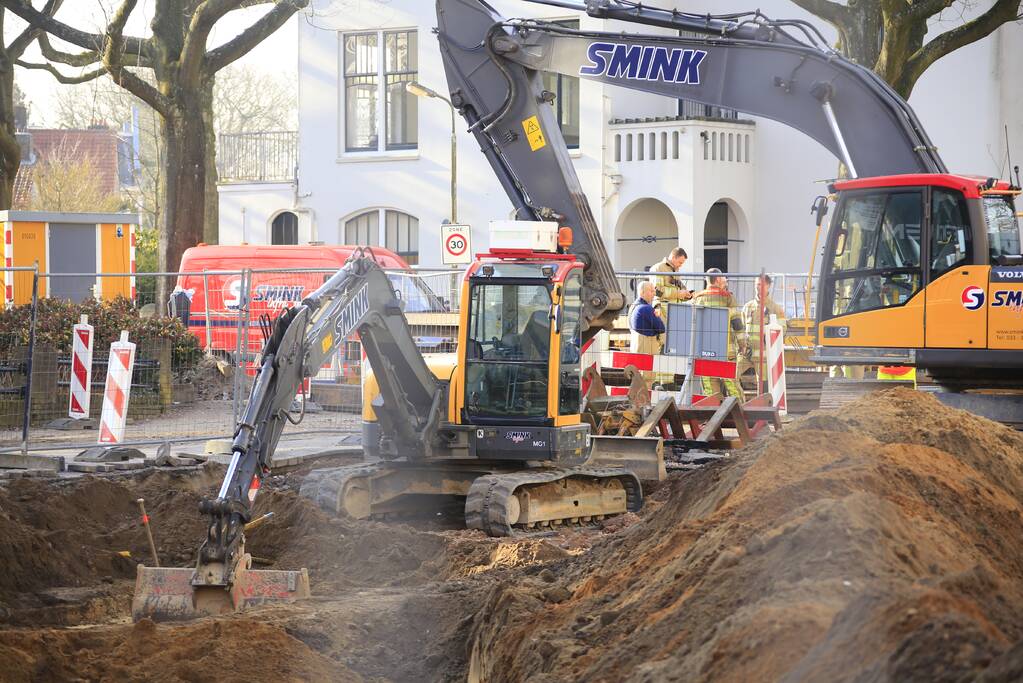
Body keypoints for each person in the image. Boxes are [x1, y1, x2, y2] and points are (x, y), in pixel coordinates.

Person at [691, 268, 745, 399]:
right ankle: (741, 412)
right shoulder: (727, 298)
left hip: (704, 352)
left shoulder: (697, 299)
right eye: (724, 278)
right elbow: (737, 323)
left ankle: (714, 414)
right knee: (732, 385)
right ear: (718, 280)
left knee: (710, 388)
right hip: (726, 351)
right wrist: (743, 344)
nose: (726, 281)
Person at [739, 274, 787, 381]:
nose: (758, 287)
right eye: (756, 284)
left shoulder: (775, 308)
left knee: (763, 386)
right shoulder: (748, 307)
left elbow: (782, 329)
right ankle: (738, 398)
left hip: (764, 356)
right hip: (746, 353)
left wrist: (768, 331)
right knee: (731, 374)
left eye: (761, 285)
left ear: (768, 286)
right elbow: (740, 329)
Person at [629, 280, 665, 356]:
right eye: (651, 291)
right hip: (647, 349)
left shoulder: (633, 306)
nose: (654, 294)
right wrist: (658, 316)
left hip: (636, 347)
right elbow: (661, 328)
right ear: (642, 292)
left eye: (654, 291)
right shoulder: (646, 308)